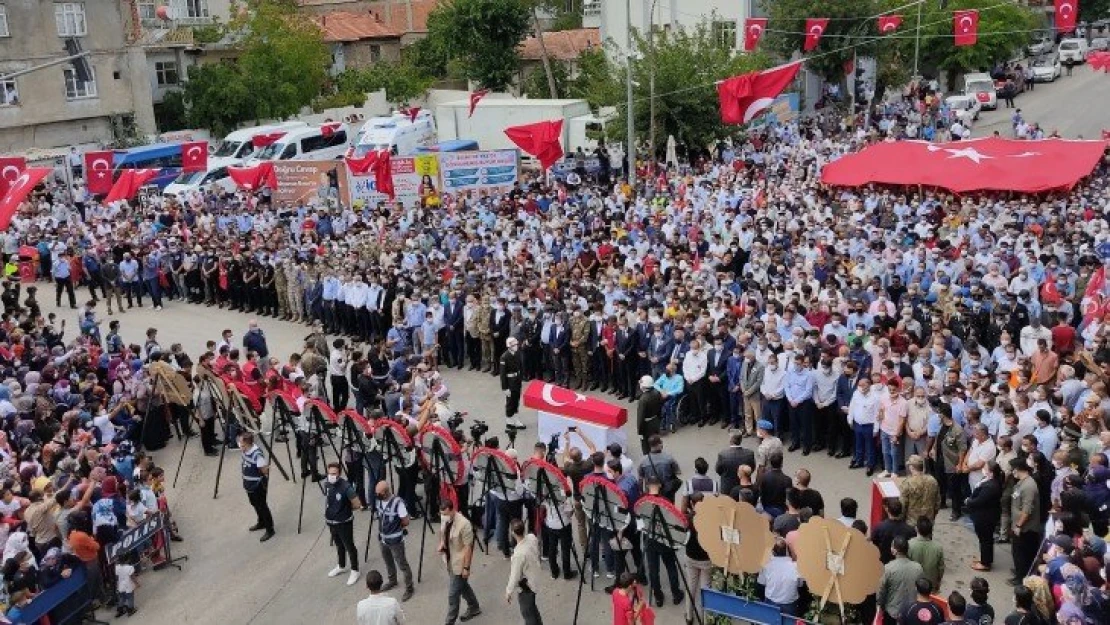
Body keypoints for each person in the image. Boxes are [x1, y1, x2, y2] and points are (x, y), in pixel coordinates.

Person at [439, 498, 481, 624]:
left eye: (445, 514)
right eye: (442, 514)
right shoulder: (444, 517)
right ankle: (474, 607)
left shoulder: (464, 524)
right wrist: (441, 543)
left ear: (452, 510)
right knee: (462, 586)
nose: (443, 517)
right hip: (449, 559)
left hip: (459, 563)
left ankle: (449, 622)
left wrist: (466, 568)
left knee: (453, 595)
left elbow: (469, 547)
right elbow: (443, 532)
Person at [375, 481, 415, 602]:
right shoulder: (379, 500)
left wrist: (397, 527)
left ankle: (409, 588)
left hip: (396, 540)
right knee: (388, 561)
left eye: (379, 493)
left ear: (385, 492)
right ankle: (392, 580)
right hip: (383, 538)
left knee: (402, 564)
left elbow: (406, 521)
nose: (376, 495)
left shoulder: (398, 503)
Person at [323, 462, 362, 587]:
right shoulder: (327, 484)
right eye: (329, 473)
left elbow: (357, 504)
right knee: (339, 545)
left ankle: (355, 570)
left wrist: (344, 510)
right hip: (331, 522)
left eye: (334, 473)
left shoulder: (346, 487)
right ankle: (341, 565)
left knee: (349, 546)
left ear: (339, 474)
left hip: (344, 522)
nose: (331, 476)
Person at [876, 536, 926, 625]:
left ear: (894, 550)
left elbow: (881, 591)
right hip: (912, 613)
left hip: (893, 613)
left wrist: (880, 605)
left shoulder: (888, 568)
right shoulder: (918, 568)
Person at [1008, 457, 1041, 585]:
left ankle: (1021, 577)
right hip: (1019, 525)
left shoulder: (1028, 486)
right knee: (1017, 552)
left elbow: (1027, 510)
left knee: (1022, 553)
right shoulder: (1021, 482)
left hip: (1025, 528)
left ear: (1017, 469)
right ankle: (1019, 571)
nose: (1011, 472)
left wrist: (1018, 525)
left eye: (1013, 469)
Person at [504, 518, 542, 625]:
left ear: (512, 533)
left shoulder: (519, 554)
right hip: (534, 580)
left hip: (526, 587)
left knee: (528, 613)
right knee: (532, 609)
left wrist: (509, 591)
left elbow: (514, 576)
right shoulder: (531, 538)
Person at [966, 461, 1002, 572]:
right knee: (985, 539)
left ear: (991, 472)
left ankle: (985, 563)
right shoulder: (989, 481)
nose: (983, 469)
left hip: (985, 517)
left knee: (985, 540)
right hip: (985, 515)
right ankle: (985, 559)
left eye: (985, 468)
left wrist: (968, 501)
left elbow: (979, 501)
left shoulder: (990, 486)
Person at [240, 432, 275, 542]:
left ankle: (270, 529)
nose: (240, 445)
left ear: (248, 443)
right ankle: (261, 522)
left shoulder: (257, 454)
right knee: (254, 504)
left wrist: (265, 469)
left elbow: (264, 470)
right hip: (248, 485)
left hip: (257, 485)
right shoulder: (245, 451)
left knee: (262, 506)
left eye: (242, 444)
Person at [757, 537, 801, 616]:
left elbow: (761, 582)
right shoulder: (796, 566)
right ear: (788, 552)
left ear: (773, 552)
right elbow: (800, 584)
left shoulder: (766, 564)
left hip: (771, 602)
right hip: (790, 604)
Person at [907, 516, 945, 591]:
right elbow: (941, 568)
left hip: (913, 584)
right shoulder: (938, 548)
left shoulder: (909, 544)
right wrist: (938, 581)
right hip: (930, 585)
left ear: (916, 529)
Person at [900, 455, 941, 525]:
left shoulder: (907, 483)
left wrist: (901, 519)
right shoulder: (932, 480)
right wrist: (933, 516)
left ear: (911, 467)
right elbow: (937, 502)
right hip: (928, 521)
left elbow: (903, 504)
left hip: (912, 522)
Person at [715, 432, 756, 497]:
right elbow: (751, 468)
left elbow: (718, 470)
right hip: (745, 487)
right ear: (741, 440)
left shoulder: (723, 454)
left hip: (727, 487)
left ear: (730, 440)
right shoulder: (750, 453)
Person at [501, 337, 524, 428]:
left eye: (516, 344)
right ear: (509, 346)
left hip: (517, 380)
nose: (516, 346)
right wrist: (505, 388)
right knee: (510, 402)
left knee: (516, 400)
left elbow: (520, 367)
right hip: (510, 383)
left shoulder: (517, 353)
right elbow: (503, 374)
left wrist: (520, 378)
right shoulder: (504, 357)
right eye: (514, 345)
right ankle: (509, 421)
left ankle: (516, 419)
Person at [635, 375, 661, 455]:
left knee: (647, 446)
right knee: (656, 442)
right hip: (655, 421)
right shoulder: (657, 393)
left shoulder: (643, 400)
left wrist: (640, 431)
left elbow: (640, 417)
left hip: (647, 425)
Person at [114, 551, 138, 617]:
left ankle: (120, 611)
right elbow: (132, 577)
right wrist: (137, 583)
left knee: (122, 598)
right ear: (128, 559)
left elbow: (117, 577)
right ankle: (130, 610)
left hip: (121, 586)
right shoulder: (130, 567)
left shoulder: (117, 567)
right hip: (128, 586)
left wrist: (117, 586)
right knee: (130, 598)